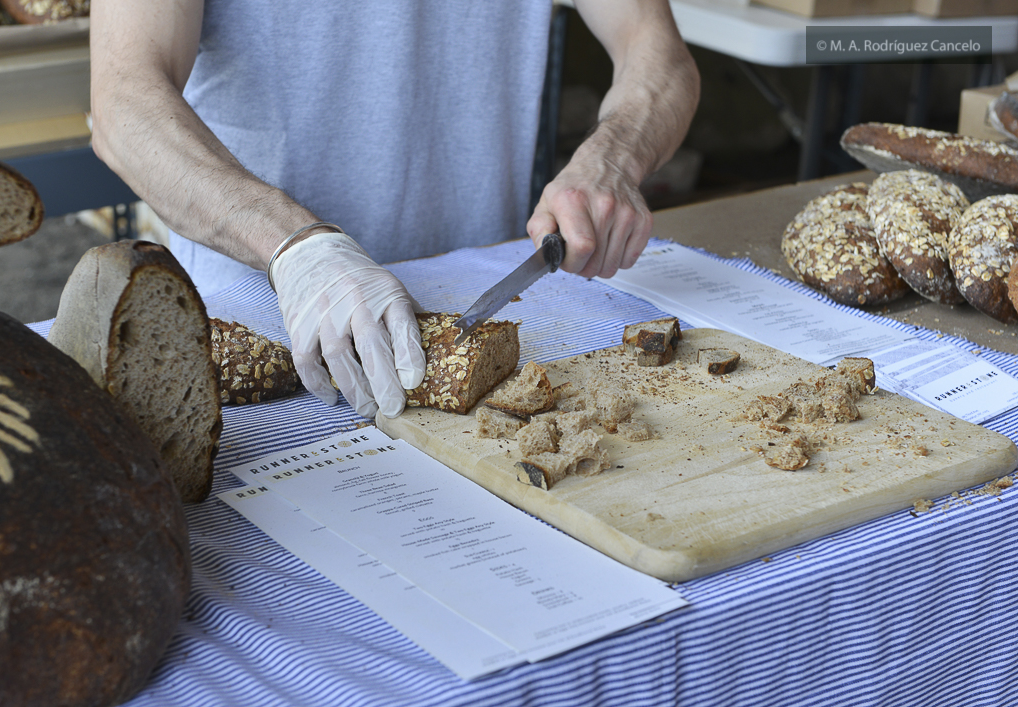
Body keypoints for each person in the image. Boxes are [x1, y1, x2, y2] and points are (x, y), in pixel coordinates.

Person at [89, 0, 700, 420]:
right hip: (269, 323)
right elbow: (125, 101)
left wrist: (616, 155)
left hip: (487, 319)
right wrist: (297, 246)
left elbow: (656, 49)